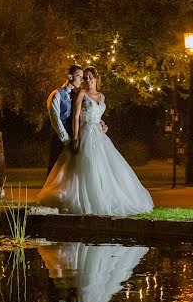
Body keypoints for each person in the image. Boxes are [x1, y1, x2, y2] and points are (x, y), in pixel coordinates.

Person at [37, 67, 154, 216]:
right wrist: (75, 138)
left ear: (96, 78)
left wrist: (102, 124)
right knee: (84, 166)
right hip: (85, 133)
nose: (87, 80)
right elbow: (76, 117)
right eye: (85, 77)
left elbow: (96, 115)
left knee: (105, 167)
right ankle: (85, 199)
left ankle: (108, 197)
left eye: (90, 77)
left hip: (99, 135)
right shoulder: (81, 94)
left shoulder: (102, 97)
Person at [45, 65, 84, 172]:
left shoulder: (77, 95)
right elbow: (55, 120)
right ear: (70, 77)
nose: (81, 80)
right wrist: (66, 139)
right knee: (55, 170)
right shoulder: (56, 94)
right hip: (60, 140)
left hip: (74, 139)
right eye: (79, 76)